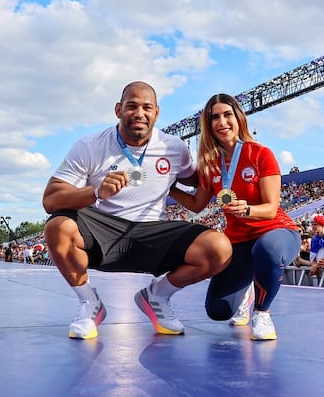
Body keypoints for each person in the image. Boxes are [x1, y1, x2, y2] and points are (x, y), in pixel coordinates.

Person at [43, 82, 232, 339]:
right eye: (132, 106)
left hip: (152, 233)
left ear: (157, 113)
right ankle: (90, 303)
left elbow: (202, 180)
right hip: (103, 228)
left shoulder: (174, 148)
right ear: (119, 110)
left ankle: (157, 296)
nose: (139, 113)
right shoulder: (90, 145)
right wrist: (96, 191)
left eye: (147, 107)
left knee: (218, 248)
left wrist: (231, 152)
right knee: (57, 227)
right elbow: (50, 200)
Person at [169, 93, 299, 340]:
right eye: (215, 117)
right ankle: (247, 289)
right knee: (218, 311)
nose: (222, 122)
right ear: (208, 125)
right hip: (239, 241)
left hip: (276, 232)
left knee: (268, 249)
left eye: (227, 115)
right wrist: (169, 188)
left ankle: (262, 313)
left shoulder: (260, 154)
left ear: (239, 118)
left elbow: (271, 208)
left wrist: (247, 209)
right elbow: (197, 205)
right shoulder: (210, 164)